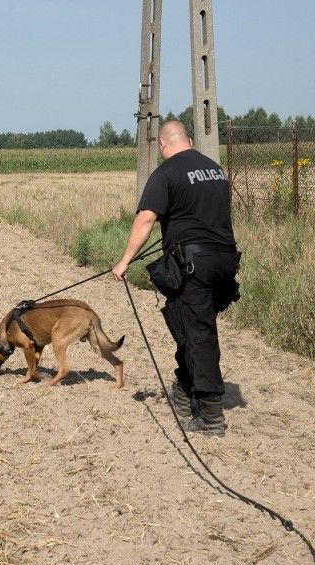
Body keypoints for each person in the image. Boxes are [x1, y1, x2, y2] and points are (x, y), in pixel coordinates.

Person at [112, 120, 239, 437]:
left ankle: (210, 416)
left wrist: (124, 261)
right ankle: (184, 394)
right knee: (188, 323)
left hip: (195, 264)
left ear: (163, 146)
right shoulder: (215, 170)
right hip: (225, 261)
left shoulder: (167, 172)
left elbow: (146, 218)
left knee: (199, 334)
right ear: (190, 140)